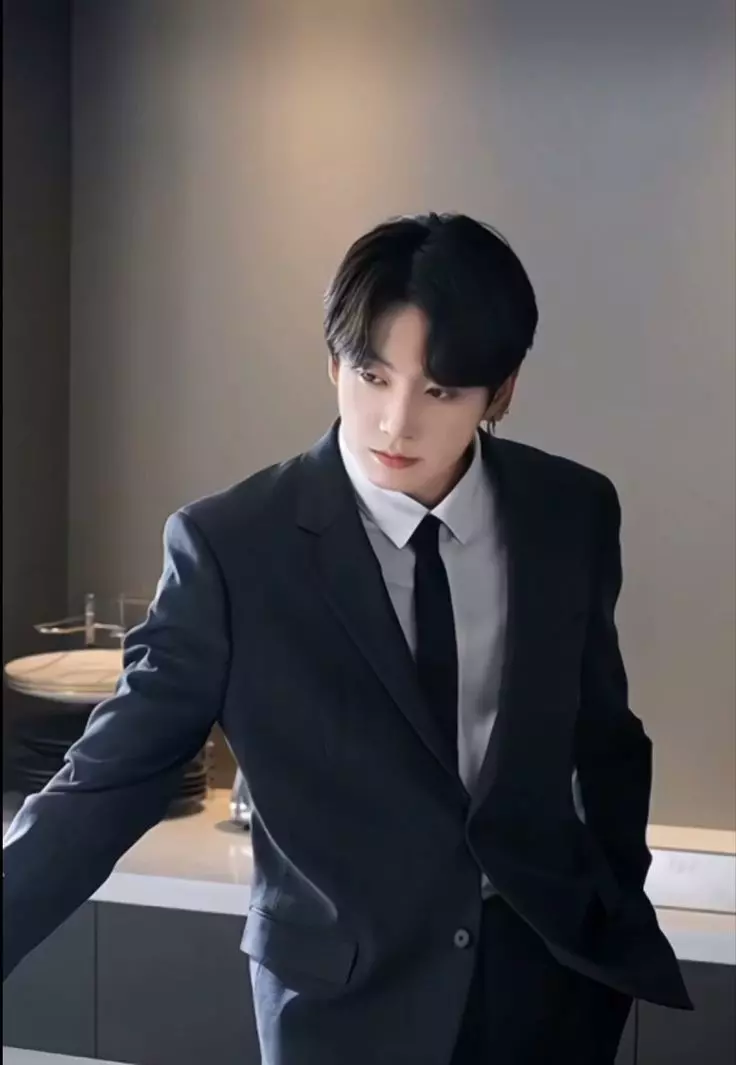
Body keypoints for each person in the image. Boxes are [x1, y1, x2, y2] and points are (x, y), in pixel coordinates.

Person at [3, 212, 691, 1063]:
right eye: (372, 375)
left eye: (440, 391)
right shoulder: (232, 547)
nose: (396, 423)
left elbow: (605, 735)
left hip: (550, 992)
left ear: (501, 391)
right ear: (334, 362)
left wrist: (614, 903)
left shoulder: (570, 511)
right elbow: (107, 782)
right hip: (344, 1007)